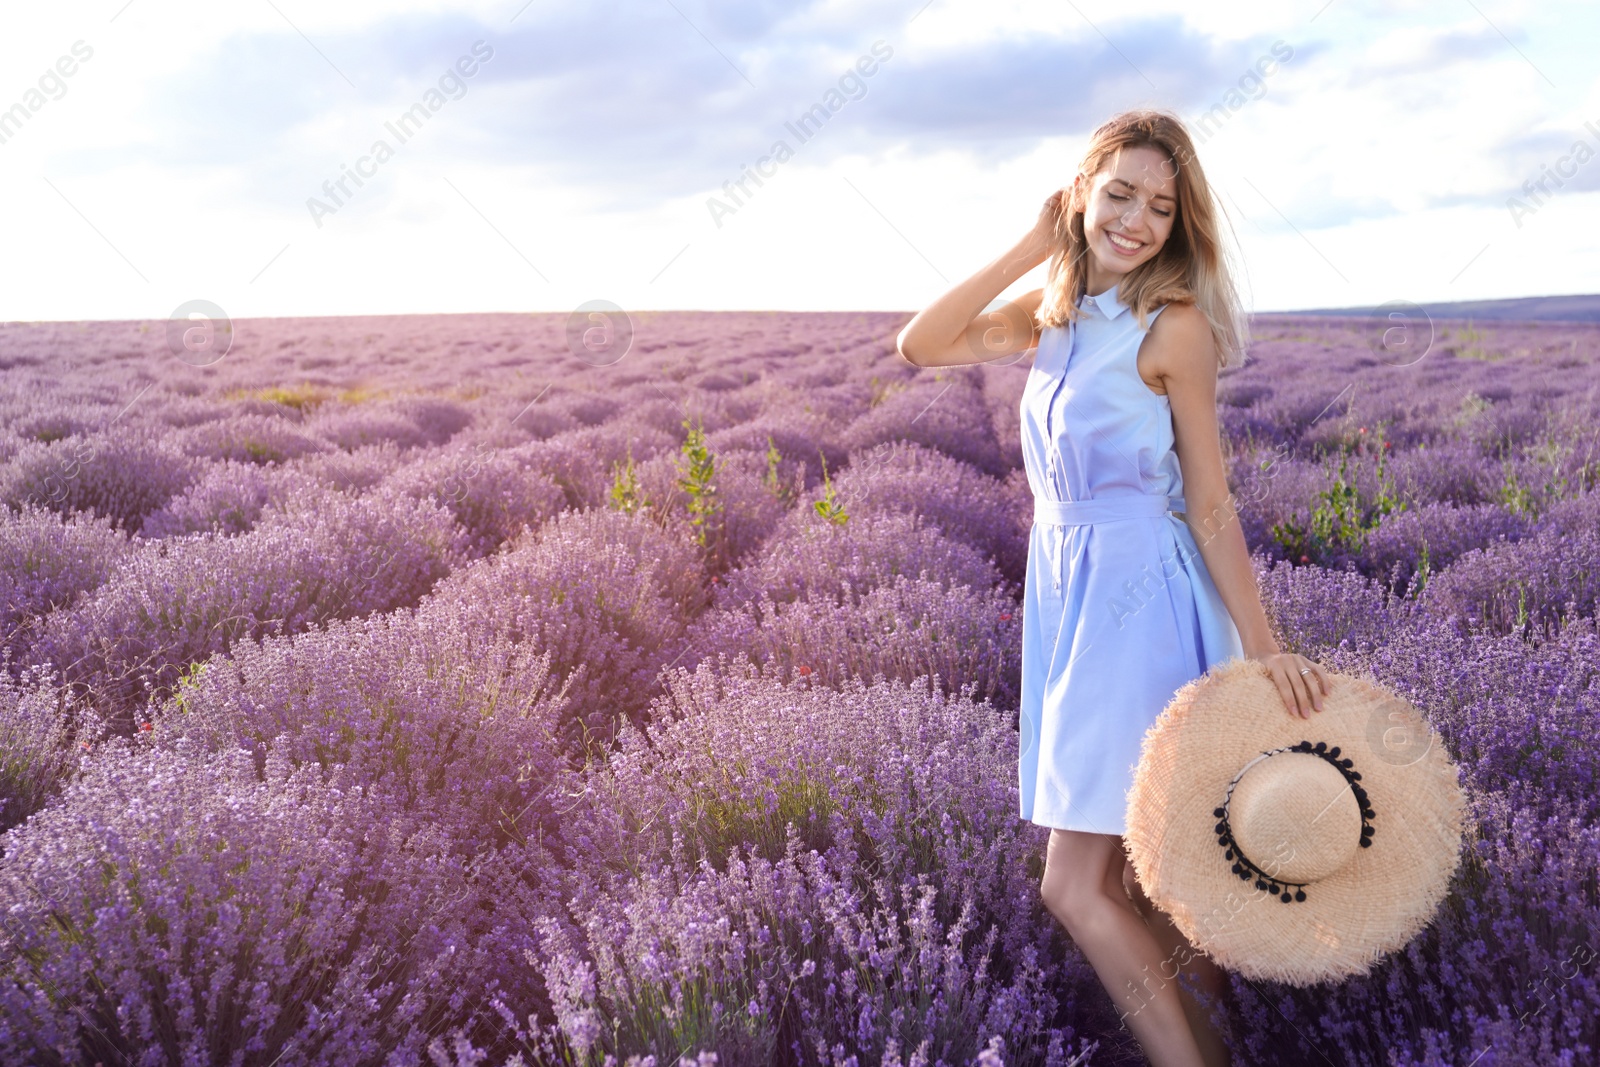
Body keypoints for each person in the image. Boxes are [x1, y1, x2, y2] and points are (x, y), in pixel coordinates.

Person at [895, 109, 1333, 1067]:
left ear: (1182, 225)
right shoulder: (1052, 317)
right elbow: (920, 345)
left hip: (1142, 601)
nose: (1136, 220)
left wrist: (1263, 645)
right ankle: (1217, 1041)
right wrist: (1029, 243)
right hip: (1069, 596)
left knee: (1076, 882)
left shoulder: (1172, 327)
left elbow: (1211, 503)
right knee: (1151, 878)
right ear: (1081, 193)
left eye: (1161, 206)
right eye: (1118, 194)